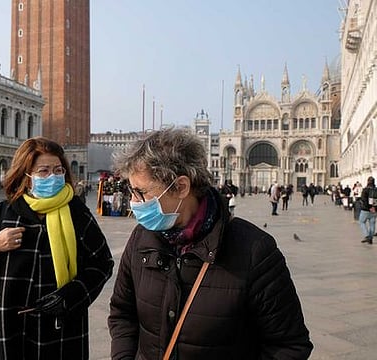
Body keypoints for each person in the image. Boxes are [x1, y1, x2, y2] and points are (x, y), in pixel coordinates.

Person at [108, 128, 313, 359]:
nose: (133, 202)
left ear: (181, 187)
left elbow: (288, 345)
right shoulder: (141, 238)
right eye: (131, 191)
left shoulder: (255, 251)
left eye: (141, 192)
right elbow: (122, 314)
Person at [0, 136, 114, 359]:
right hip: (10, 325)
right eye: (43, 171)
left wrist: (71, 295)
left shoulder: (76, 212)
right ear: (27, 175)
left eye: (58, 169)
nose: (52, 176)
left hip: (61, 325)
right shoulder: (6, 212)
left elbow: (102, 263)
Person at [359, 176, 377, 244]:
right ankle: (371, 238)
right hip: (374, 210)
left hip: (365, 210)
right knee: (372, 224)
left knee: (361, 222)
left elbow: (364, 200)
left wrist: (369, 207)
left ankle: (367, 236)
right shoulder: (376, 189)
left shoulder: (365, 190)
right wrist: (374, 208)